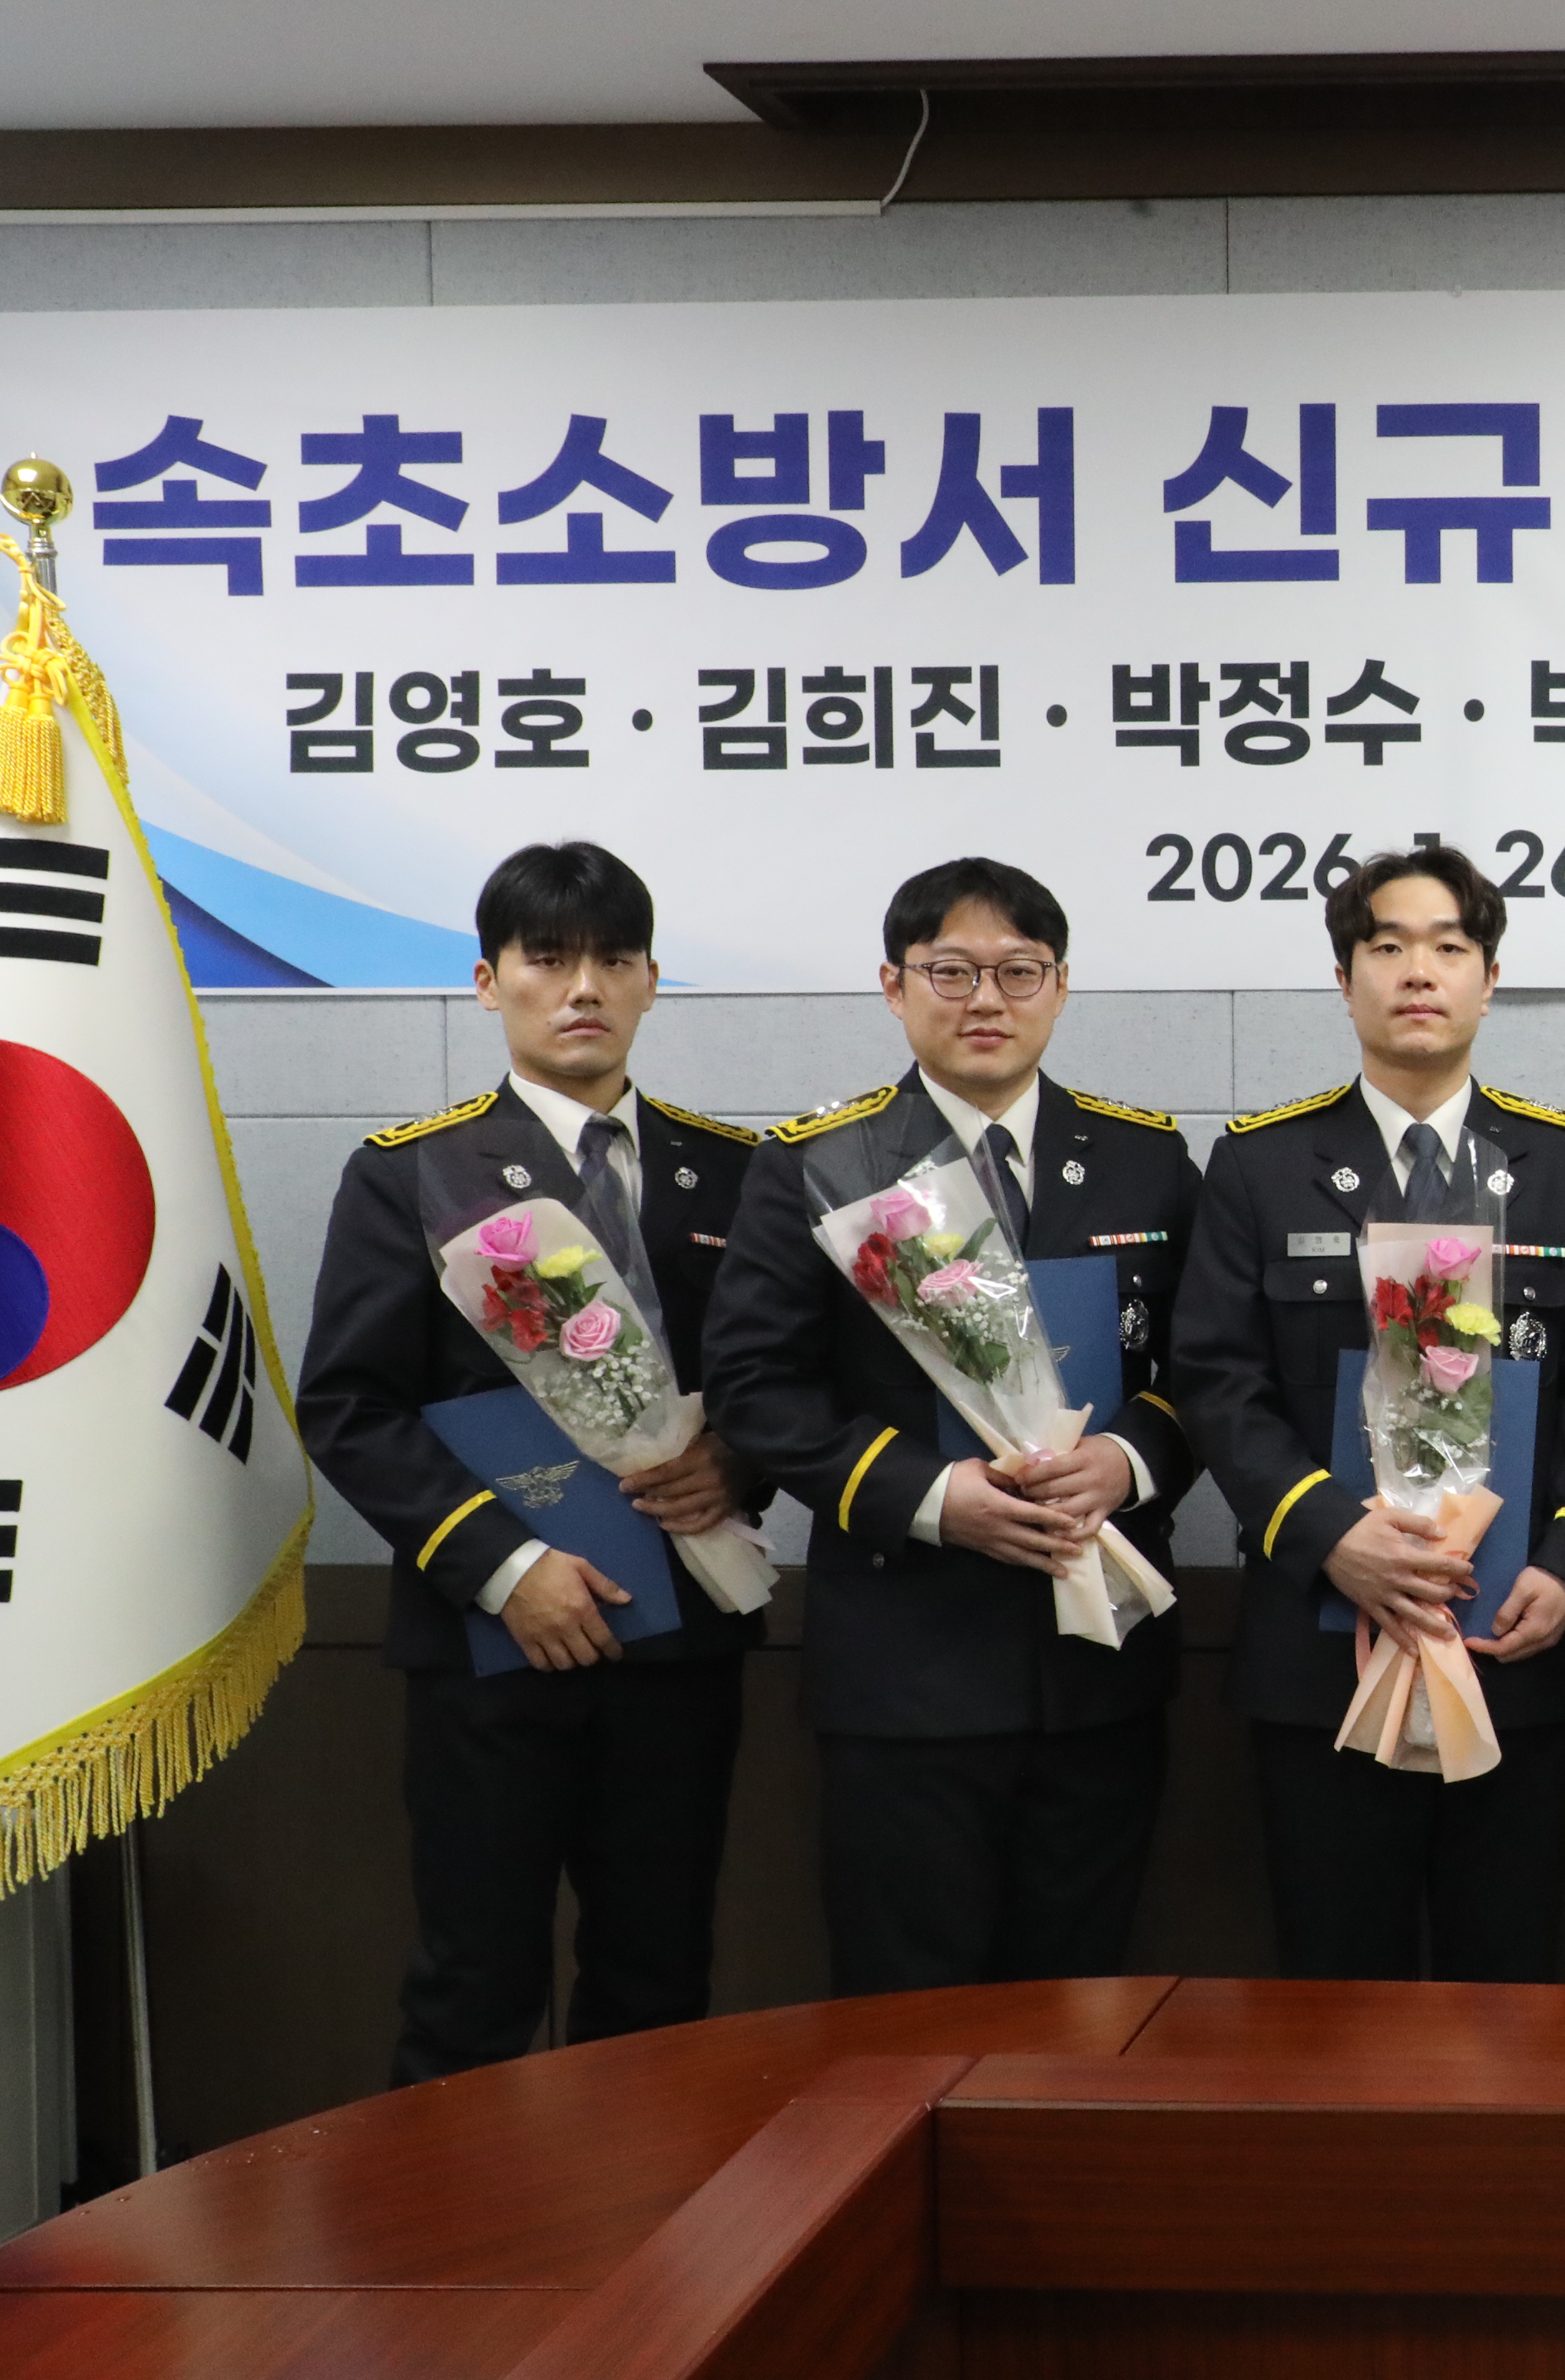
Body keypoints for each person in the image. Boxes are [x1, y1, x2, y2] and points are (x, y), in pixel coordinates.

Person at [301, 841, 766, 2085]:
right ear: (488, 980)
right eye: (548, 960)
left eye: (613, 960)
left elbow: (780, 1381)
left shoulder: (732, 1172)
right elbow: (349, 1406)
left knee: (659, 1975)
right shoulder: (412, 1173)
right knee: (476, 1984)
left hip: (680, 1638)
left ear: (652, 980)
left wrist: (740, 1466)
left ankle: (653, 2215)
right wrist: (508, 1570)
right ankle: (461, 2220)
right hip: (491, 1643)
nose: (583, 989)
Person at [702, 857, 1198, 1994]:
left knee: (1081, 2004)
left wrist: (1128, 1461)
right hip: (905, 1669)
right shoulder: (819, 1167)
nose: (987, 999)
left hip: (1101, 1665)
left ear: (1060, 986)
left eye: (1018, 971)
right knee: (906, 2011)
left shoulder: (1146, 1161)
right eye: (952, 971)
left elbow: (1211, 1370)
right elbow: (755, 1388)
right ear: (894, 985)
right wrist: (932, 1498)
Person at [1173, 845, 1565, 1981]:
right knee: (1338, 1986)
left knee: (1508, 1981)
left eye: (1449, 947)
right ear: (1345, 981)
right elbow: (1217, 1380)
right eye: (1387, 947)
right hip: (1320, 1649)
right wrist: (1332, 1535)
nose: (1418, 972)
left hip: (1513, 1635)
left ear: (1489, 978)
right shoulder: (1260, 1164)